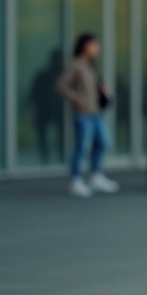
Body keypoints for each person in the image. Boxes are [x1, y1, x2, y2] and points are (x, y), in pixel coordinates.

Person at [55, 33, 118, 198]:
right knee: (81, 147)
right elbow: (61, 86)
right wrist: (75, 98)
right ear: (85, 46)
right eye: (94, 45)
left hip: (97, 113)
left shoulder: (91, 66)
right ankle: (76, 180)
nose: (97, 49)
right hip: (83, 113)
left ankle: (95, 176)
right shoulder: (76, 65)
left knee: (104, 143)